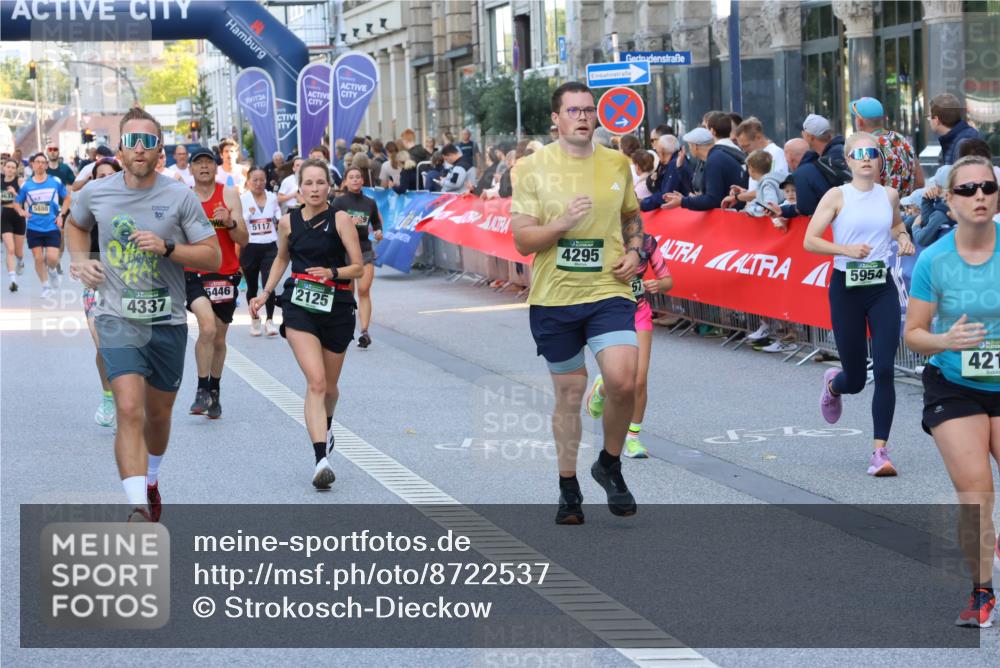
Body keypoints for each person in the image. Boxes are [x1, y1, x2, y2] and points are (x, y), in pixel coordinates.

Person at [67, 107, 222, 521]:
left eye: (148, 141)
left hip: (166, 320)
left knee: (158, 415)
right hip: (116, 316)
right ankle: (137, 507)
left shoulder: (179, 196)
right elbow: (75, 225)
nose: (139, 148)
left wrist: (168, 247)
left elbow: (212, 255)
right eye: (132, 141)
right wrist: (81, 260)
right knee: (129, 409)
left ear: (160, 150)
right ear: (119, 149)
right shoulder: (96, 192)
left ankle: (151, 479)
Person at [510, 81, 644, 525]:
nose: (583, 117)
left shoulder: (617, 162)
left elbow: (631, 216)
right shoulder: (532, 168)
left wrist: (636, 252)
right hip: (555, 298)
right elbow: (523, 240)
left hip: (609, 290)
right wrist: (562, 224)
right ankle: (568, 487)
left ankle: (609, 464)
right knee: (569, 395)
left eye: (588, 110)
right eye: (574, 111)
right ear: (556, 119)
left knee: (623, 381)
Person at [903, 155, 1000, 627]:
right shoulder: (935, 260)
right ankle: (982, 592)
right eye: (967, 189)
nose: (979, 195)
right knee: (977, 493)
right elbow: (914, 334)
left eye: (987, 187)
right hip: (954, 385)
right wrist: (946, 341)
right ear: (949, 199)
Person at [804, 132, 916, 476]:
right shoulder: (837, 196)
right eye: (859, 153)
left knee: (883, 370)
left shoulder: (889, 195)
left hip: (881, 288)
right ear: (848, 161)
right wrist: (845, 250)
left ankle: (880, 452)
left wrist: (903, 237)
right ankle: (834, 384)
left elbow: (895, 224)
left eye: (872, 153)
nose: (866, 158)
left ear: (880, 160)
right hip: (846, 288)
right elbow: (810, 241)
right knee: (854, 378)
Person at [250, 158, 364, 489]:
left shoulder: (341, 219)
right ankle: (320, 459)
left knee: (329, 387)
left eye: (320, 182)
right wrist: (265, 293)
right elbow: (281, 258)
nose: (314, 189)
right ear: (299, 188)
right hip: (299, 305)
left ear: (330, 186)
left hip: (337, 305)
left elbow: (358, 267)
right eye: (309, 183)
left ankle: (326, 425)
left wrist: (332, 272)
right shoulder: (288, 222)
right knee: (315, 382)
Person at [585, 233, 672, 458]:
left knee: (639, 379)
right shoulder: (602, 235)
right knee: (620, 378)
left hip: (639, 312)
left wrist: (657, 284)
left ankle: (633, 439)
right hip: (609, 313)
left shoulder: (648, 242)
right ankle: (602, 388)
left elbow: (668, 281)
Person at [186, 146, 248, 419]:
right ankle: (201, 389)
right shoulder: (185, 197)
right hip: (195, 272)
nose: (204, 167)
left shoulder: (229, 194)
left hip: (225, 274)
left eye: (208, 162)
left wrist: (230, 222)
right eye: (198, 163)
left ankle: (215, 391)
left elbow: (243, 239)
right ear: (191, 169)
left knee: (220, 338)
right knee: (207, 327)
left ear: (215, 167)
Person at [80, 158, 123, 427]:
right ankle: (109, 397)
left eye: (110, 174)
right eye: (100, 176)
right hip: (96, 282)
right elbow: (75, 230)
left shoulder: (134, 204)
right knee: (104, 345)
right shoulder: (89, 205)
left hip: (129, 283)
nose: (105, 179)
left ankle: (127, 398)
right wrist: (80, 262)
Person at [333, 166, 382, 348]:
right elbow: (331, 224)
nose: (355, 180)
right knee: (348, 293)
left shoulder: (370, 202)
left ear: (362, 180)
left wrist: (378, 232)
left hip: (364, 250)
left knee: (364, 290)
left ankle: (364, 332)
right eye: (351, 177)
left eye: (358, 177)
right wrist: (346, 223)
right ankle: (346, 327)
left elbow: (376, 223)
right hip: (344, 251)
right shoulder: (339, 202)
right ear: (345, 181)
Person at [13, 152, 71, 296]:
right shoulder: (26, 185)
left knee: (52, 258)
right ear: (32, 165)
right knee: (38, 258)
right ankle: (45, 287)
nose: (40, 164)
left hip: (52, 225)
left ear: (46, 165)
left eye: (43, 162)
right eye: (37, 162)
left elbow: (67, 198)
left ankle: (52, 270)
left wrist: (61, 215)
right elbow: (17, 202)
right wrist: (20, 211)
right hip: (34, 227)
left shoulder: (55, 181)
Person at [851, 96, 924, 196]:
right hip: (907, 205)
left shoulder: (868, 148)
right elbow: (920, 182)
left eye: (855, 117)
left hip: (884, 206)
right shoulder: (901, 139)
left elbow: (872, 193)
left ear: (860, 122)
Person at [241, 166, 281, 337]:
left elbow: (278, 212)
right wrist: (248, 215)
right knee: (251, 286)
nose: (259, 183)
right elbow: (239, 221)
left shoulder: (272, 197)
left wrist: (280, 219)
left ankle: (270, 320)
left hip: (269, 246)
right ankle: (255, 319)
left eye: (262, 180)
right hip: (250, 247)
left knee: (268, 285)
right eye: (255, 180)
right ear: (248, 181)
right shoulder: (243, 199)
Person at [661, 127, 743, 211]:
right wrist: (684, 199)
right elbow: (701, 192)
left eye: (689, 145)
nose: (689, 149)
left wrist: (682, 201)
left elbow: (711, 200)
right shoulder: (715, 157)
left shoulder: (714, 160)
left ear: (695, 146)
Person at [640, 134, 691, 211]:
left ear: (662, 151)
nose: (657, 154)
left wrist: (643, 203)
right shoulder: (674, 161)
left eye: (657, 151)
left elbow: (667, 195)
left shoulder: (675, 163)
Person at [929, 93, 980, 167]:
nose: (929, 121)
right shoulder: (952, 140)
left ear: (936, 120)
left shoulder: (964, 144)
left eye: (929, 117)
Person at [1, 157, 26, 290]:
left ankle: (20, 261)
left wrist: (15, 193)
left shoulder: (19, 181)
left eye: (13, 167)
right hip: (5, 216)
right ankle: (13, 281)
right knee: (10, 249)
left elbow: (25, 199)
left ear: (16, 170)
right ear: (4, 168)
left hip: (18, 217)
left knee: (18, 252)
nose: (10, 169)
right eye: (8, 167)